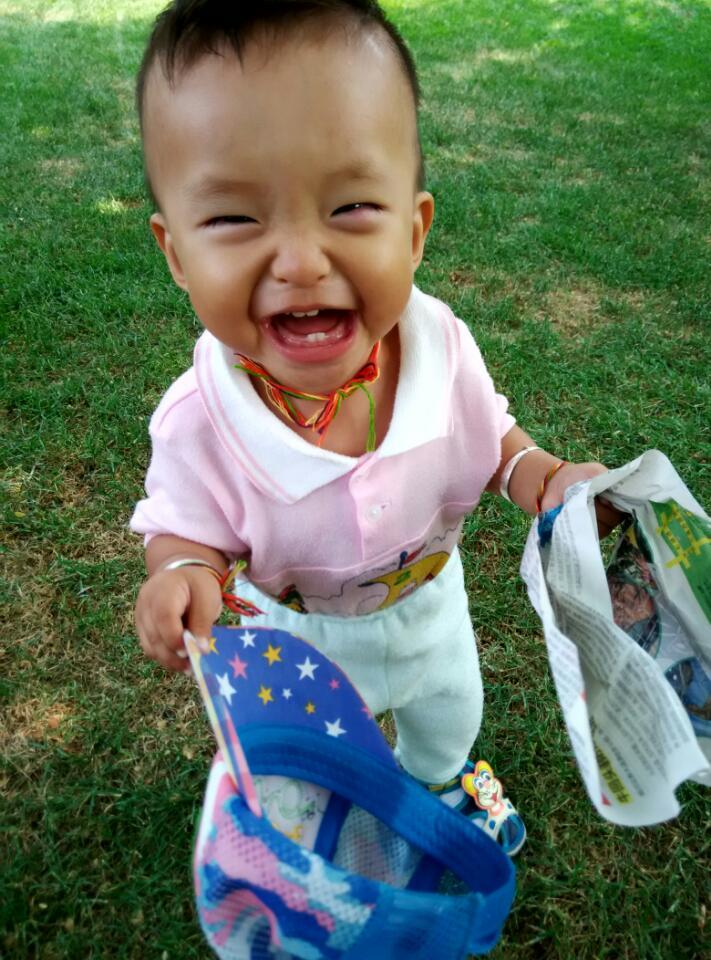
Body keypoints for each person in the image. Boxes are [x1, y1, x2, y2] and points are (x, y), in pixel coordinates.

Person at [130, 0, 619, 856]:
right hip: (297, 639)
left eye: (351, 205)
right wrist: (179, 572)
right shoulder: (200, 420)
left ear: (414, 229)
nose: (300, 261)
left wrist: (546, 478)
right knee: (312, 765)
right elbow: (184, 530)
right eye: (235, 218)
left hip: (430, 607)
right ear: (175, 254)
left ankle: (442, 782)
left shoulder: (441, 350)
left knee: (448, 713)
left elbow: (497, 445)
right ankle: (332, 815)